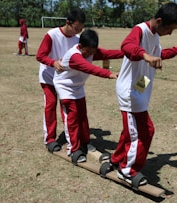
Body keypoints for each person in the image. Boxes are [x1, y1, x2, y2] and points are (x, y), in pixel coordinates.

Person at [110, 2, 177, 187]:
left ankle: (116, 159)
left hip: (141, 85)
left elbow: (159, 54)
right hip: (130, 90)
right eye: (170, 29)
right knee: (145, 131)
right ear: (159, 21)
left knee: (130, 130)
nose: (170, 34)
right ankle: (127, 170)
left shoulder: (155, 35)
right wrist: (145, 56)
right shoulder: (140, 30)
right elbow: (126, 46)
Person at [53, 29, 124, 164]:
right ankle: (73, 149)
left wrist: (130, 53)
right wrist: (109, 74)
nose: (91, 55)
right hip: (65, 88)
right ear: (80, 47)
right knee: (72, 118)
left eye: (93, 52)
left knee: (82, 117)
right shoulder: (75, 55)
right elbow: (89, 68)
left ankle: (85, 143)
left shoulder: (90, 50)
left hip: (77, 87)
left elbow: (109, 53)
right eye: (88, 52)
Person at [36, 9, 85, 153]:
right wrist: (53, 63)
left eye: (81, 29)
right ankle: (49, 139)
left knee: (67, 107)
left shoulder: (77, 39)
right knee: (50, 105)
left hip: (64, 80)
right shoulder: (52, 35)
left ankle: (72, 138)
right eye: (76, 28)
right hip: (49, 76)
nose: (78, 32)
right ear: (67, 23)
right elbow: (40, 55)